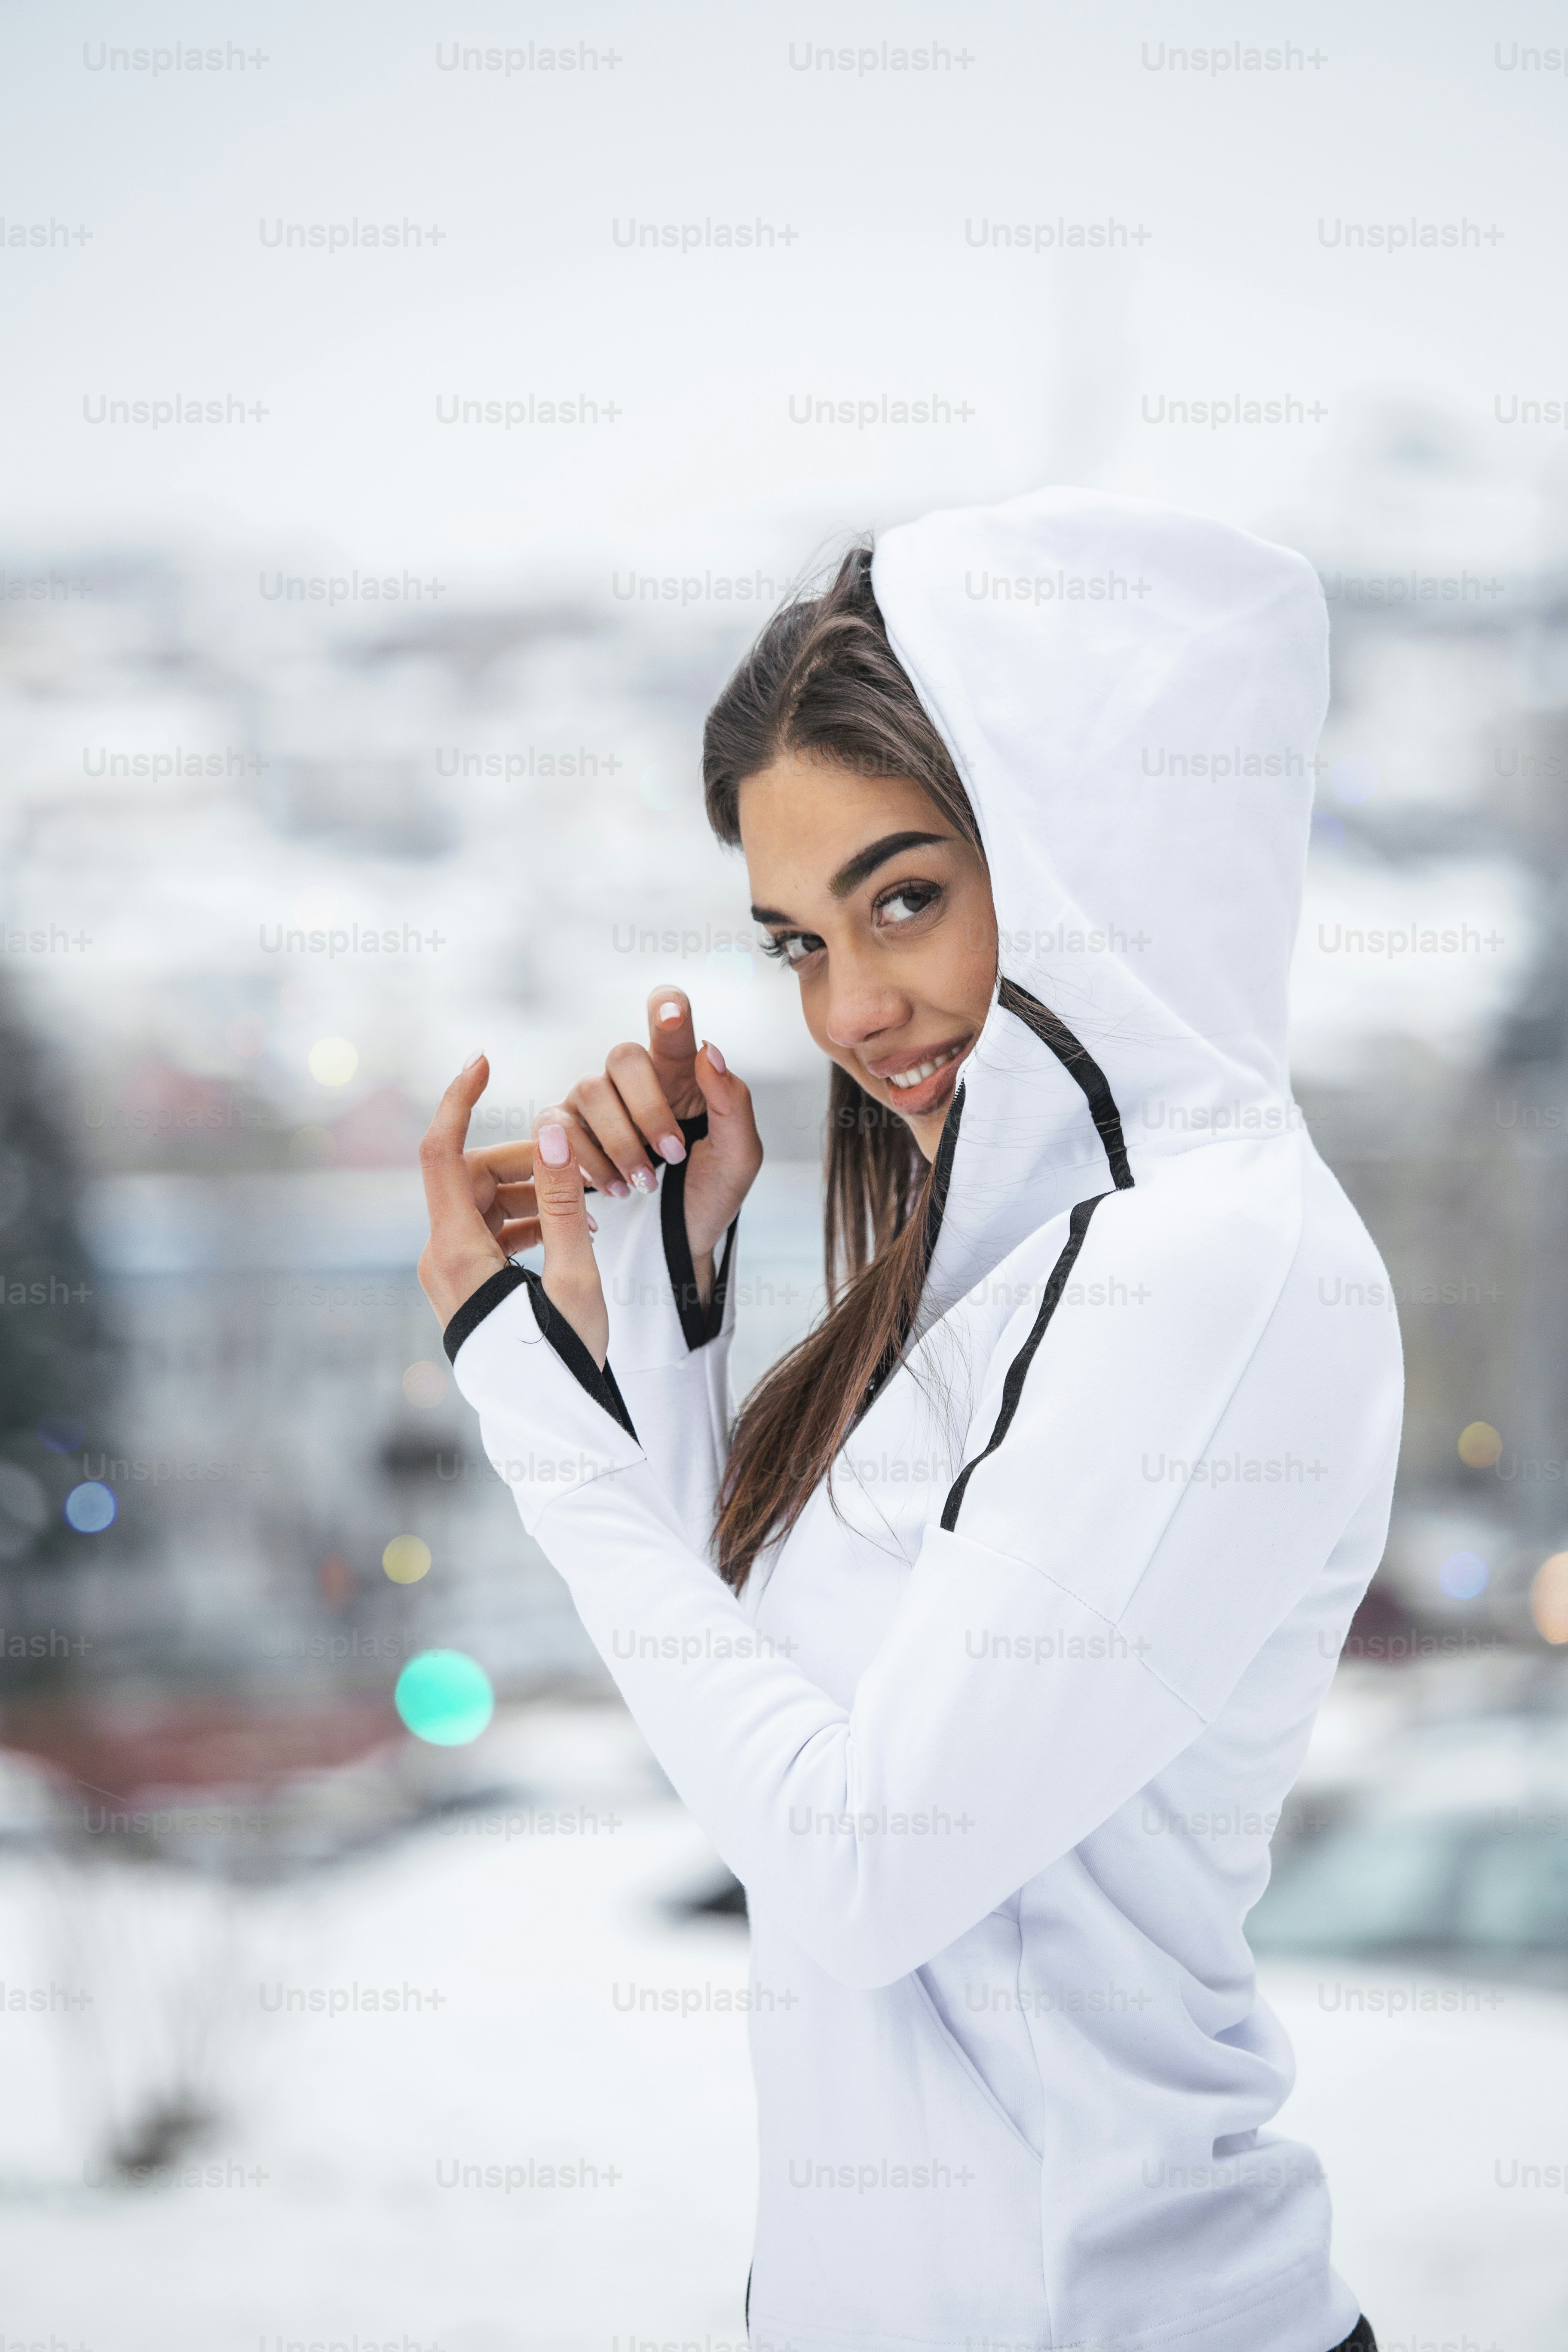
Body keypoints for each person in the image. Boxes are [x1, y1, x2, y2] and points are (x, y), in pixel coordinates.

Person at [416, 488, 1399, 2352]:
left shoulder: (1216, 1267)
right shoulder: (1009, 1270)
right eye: (796, 942)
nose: (853, 1010)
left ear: (1076, 845)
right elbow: (770, 1749)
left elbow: (864, 1873)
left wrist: (535, 1420)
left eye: (907, 899)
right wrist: (662, 1315)